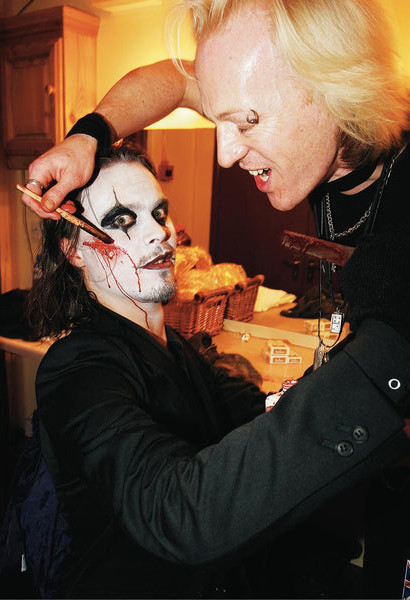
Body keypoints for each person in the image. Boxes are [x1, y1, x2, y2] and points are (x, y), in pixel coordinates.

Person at [21, 0, 410, 595]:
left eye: (247, 121)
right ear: (74, 249)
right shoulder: (80, 368)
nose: (225, 153)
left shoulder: (180, 350)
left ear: (335, 90)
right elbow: (171, 81)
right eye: (122, 219)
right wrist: (87, 136)